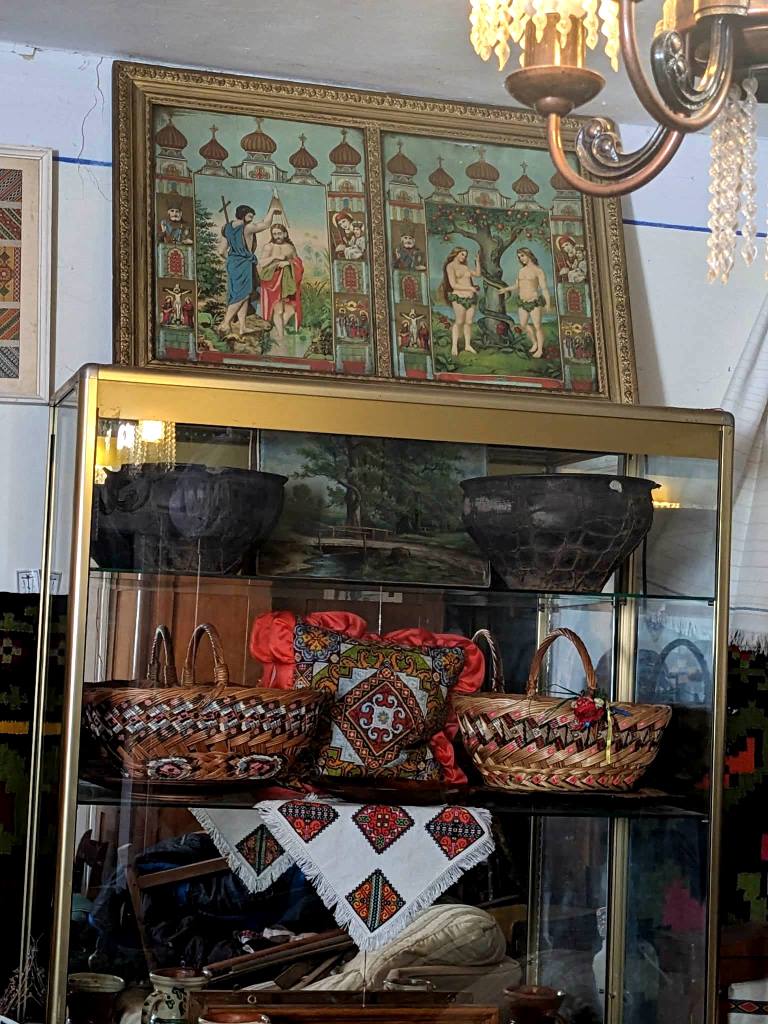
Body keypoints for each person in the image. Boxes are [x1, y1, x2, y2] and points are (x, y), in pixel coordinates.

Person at [218, 199, 281, 336]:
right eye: (250, 216)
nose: (252, 219)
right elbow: (266, 224)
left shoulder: (226, 228)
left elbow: (221, 251)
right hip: (244, 264)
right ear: (244, 215)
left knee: (244, 295)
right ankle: (225, 323)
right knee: (240, 296)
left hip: (232, 263)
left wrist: (232, 259)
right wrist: (272, 210)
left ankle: (242, 327)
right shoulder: (247, 228)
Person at [498, 248, 551, 359]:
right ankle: (534, 343)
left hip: (534, 302)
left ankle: (540, 350)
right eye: (519, 257)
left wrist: (548, 303)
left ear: (529, 255)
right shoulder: (521, 271)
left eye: (522, 255)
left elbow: (544, 288)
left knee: (537, 326)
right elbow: (517, 285)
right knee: (523, 325)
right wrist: (506, 289)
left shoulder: (538, 271)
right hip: (522, 302)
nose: (521, 258)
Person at [259, 223, 304, 342]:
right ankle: (281, 336)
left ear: (284, 234)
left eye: (279, 233)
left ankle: (278, 332)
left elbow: (298, 262)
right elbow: (262, 263)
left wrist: (288, 263)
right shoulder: (269, 247)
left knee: (291, 309)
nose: (277, 236)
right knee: (278, 310)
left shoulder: (290, 247)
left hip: (287, 281)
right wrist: (275, 258)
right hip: (272, 281)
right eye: (274, 234)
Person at [442, 247, 482, 356]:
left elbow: (478, 274)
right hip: (459, 297)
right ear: (455, 254)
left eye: (465, 255)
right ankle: (454, 346)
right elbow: (453, 285)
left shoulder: (465, 267)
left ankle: (467, 345)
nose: (464, 257)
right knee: (459, 321)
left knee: (469, 322)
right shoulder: (450, 266)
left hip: (471, 298)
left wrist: (477, 261)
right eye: (462, 254)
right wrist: (470, 288)